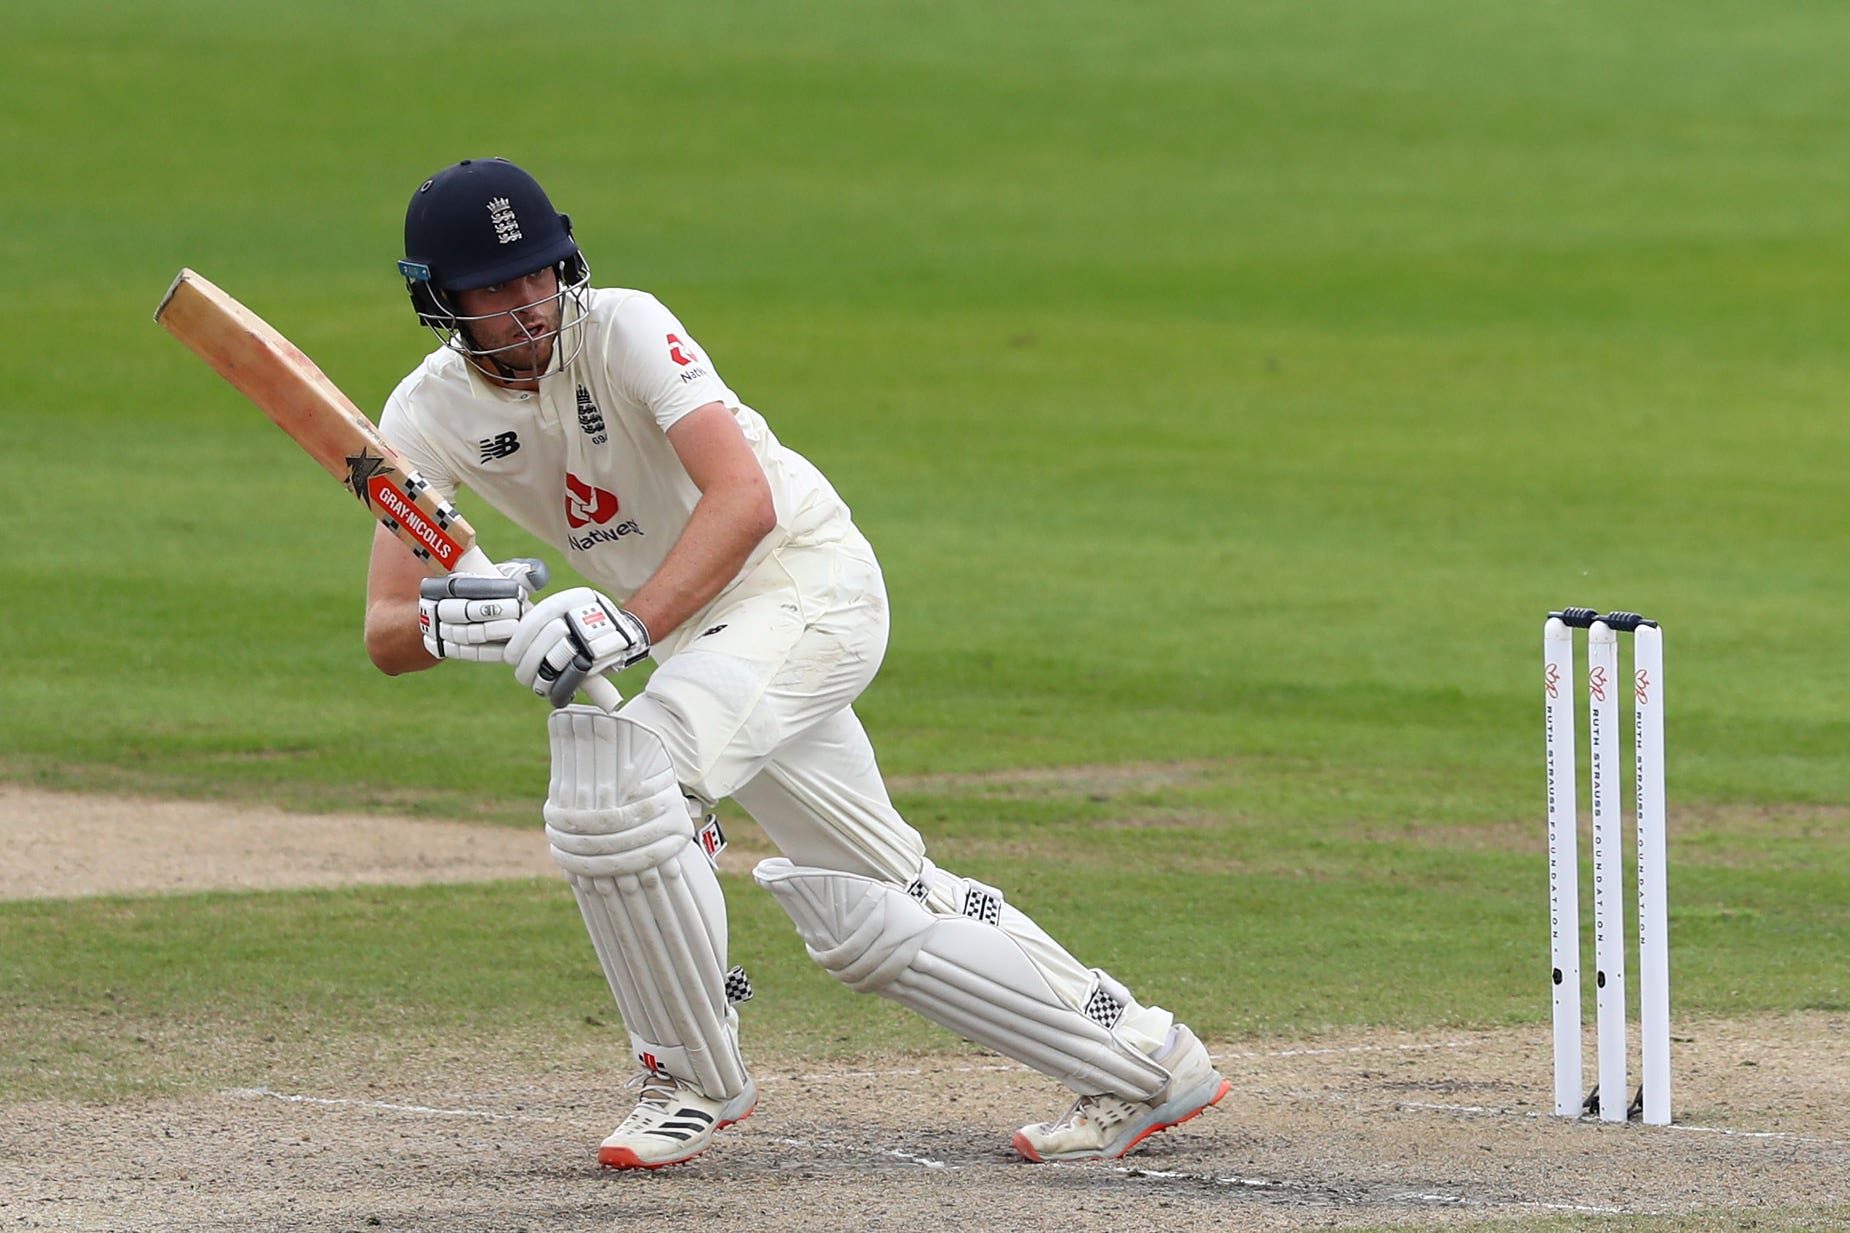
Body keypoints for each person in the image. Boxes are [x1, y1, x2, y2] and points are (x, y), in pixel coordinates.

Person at [363, 156, 1228, 1169]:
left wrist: (626, 626)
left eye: (540, 275)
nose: (528, 305)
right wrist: (460, 622)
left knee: (620, 781)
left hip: (803, 589)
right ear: (439, 302)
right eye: (496, 290)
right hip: (704, 638)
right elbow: (386, 625)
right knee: (872, 904)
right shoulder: (423, 416)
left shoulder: (626, 326)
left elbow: (742, 499)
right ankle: (1144, 1061)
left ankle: (687, 1078)